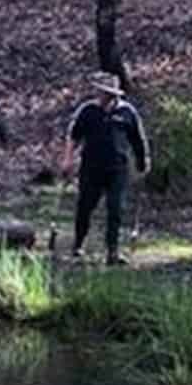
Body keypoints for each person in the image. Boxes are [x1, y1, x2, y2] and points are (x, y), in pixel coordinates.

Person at [62, 70, 149, 265]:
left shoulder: (127, 112)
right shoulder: (87, 111)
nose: (100, 96)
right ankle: (78, 245)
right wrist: (68, 160)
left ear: (113, 94)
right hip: (91, 167)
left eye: (103, 92)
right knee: (85, 206)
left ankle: (112, 252)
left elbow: (138, 139)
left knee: (115, 209)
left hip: (118, 169)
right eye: (98, 91)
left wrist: (143, 162)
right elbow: (73, 136)